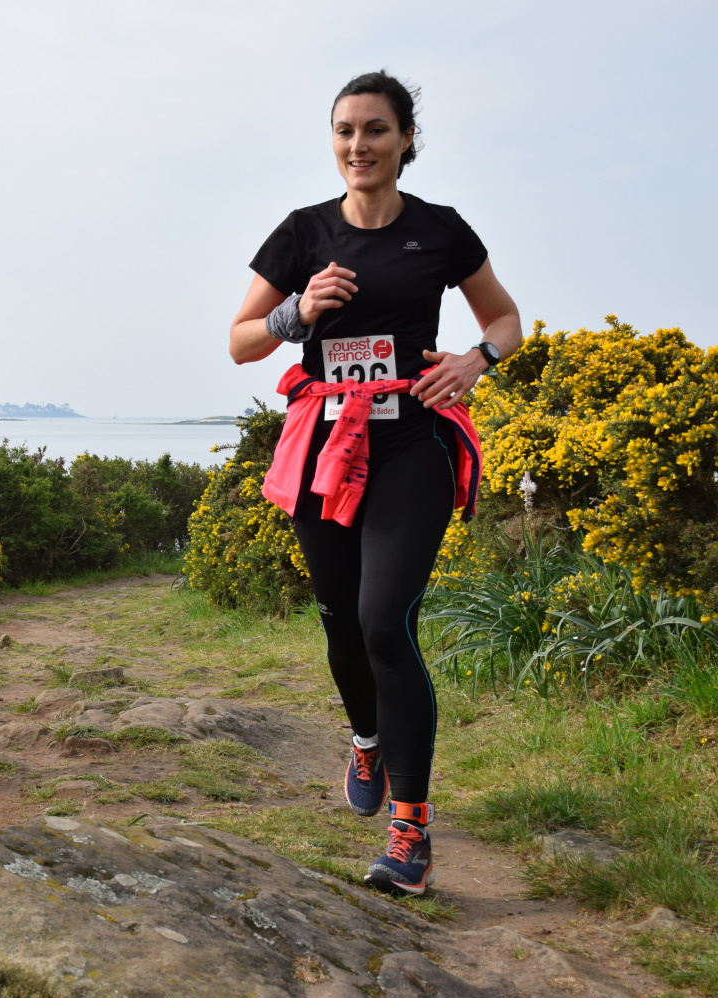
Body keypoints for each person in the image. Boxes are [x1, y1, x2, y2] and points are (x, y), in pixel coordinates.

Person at [228, 71, 522, 896]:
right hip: (324, 445)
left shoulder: (440, 230)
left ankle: (411, 830)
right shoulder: (303, 232)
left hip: (411, 443)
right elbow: (241, 341)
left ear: (405, 140)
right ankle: (367, 740)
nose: (358, 145)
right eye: (345, 131)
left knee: (385, 622)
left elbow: (505, 319)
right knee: (341, 623)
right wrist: (297, 312)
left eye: (376, 130)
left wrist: (475, 360)